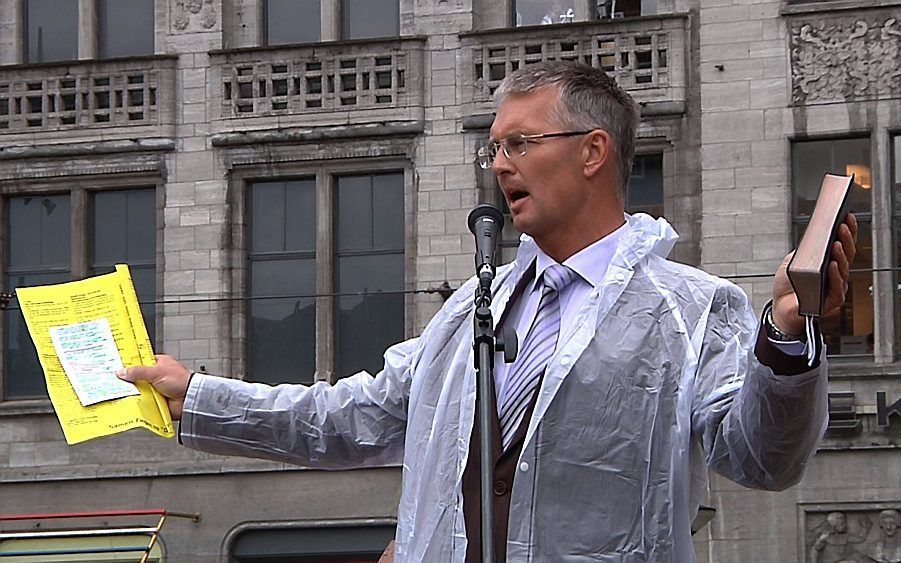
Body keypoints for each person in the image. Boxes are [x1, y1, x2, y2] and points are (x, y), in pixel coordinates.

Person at [119, 61, 858, 561]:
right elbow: (353, 415)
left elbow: (761, 458)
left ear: (592, 151)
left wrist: (785, 340)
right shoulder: (471, 308)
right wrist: (201, 398)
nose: (498, 164)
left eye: (518, 143)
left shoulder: (693, 308)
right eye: (492, 148)